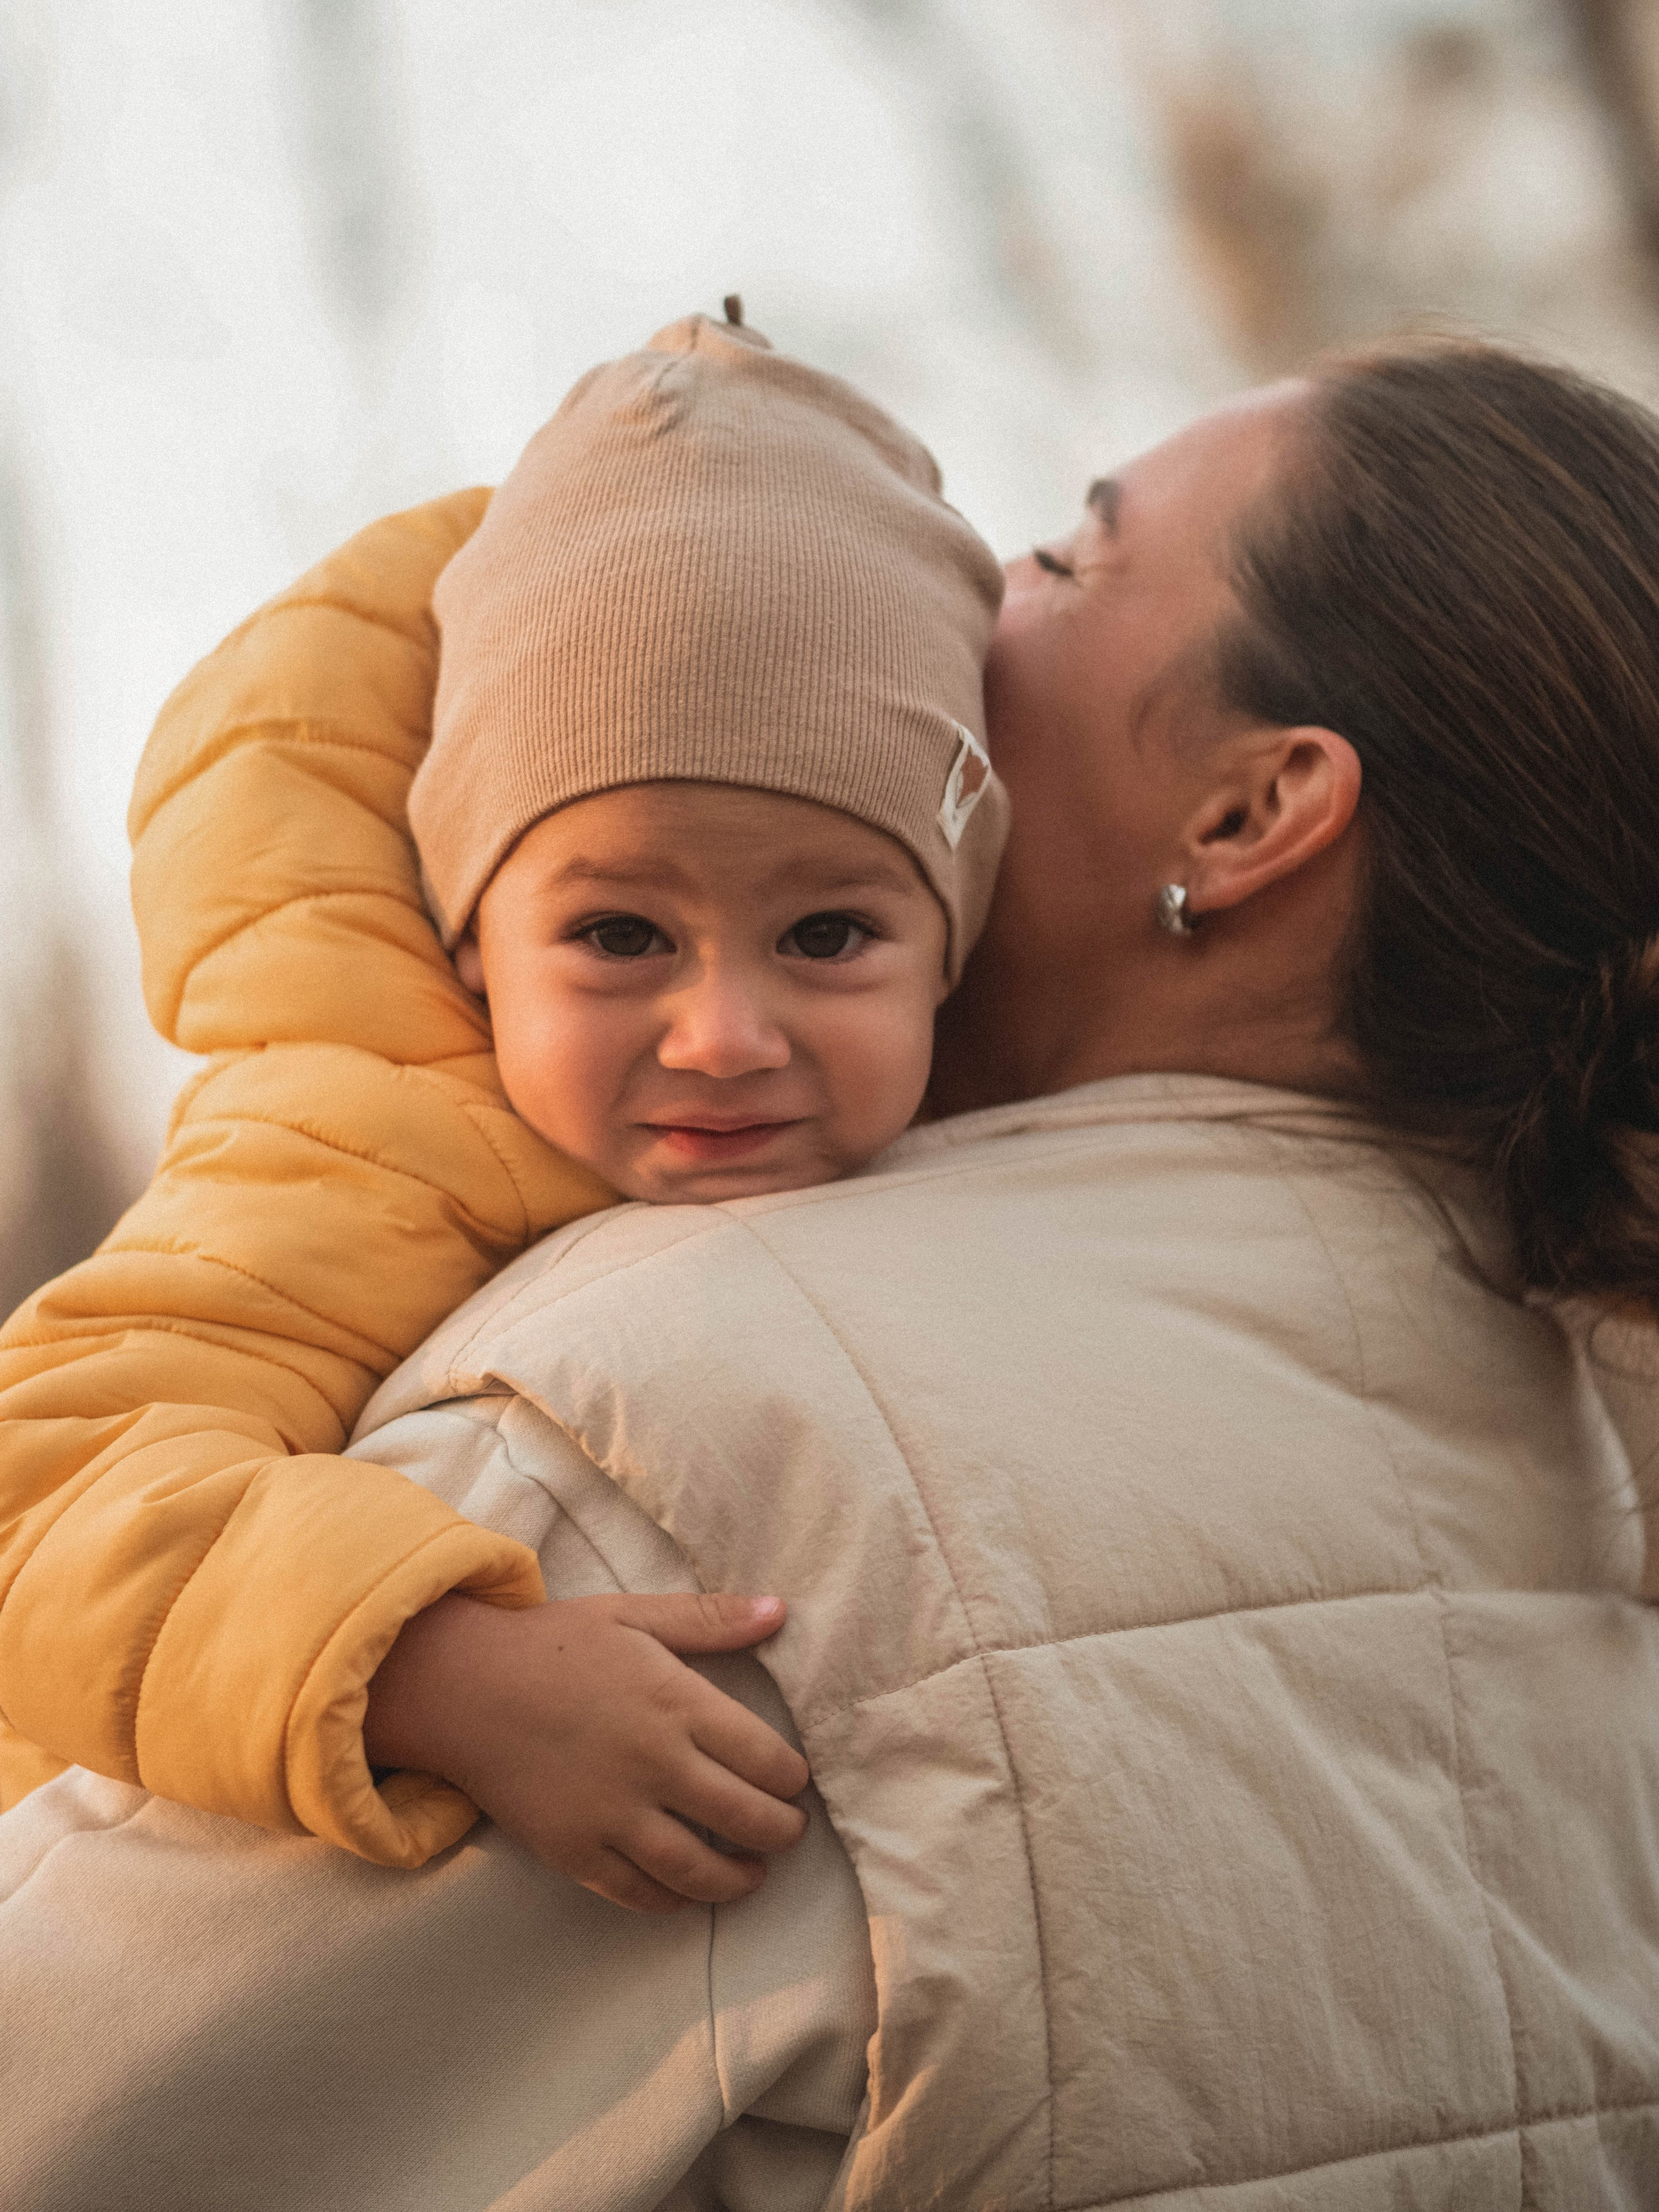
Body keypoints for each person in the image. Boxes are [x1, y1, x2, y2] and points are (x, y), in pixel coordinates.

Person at [5, 338, 1659, 2209]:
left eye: (1069, 554)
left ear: (1248, 813)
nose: (984, 593)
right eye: (621, 927)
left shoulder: (677, 1427)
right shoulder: (1589, 1450)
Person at [0, 305, 1006, 1907]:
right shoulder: (350, 1142)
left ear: (952, 947)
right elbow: (40, 1496)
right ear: (473, 939)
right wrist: (440, 1673)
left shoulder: (1003, 1147)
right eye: (618, 937)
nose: (727, 1034)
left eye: (829, 936)